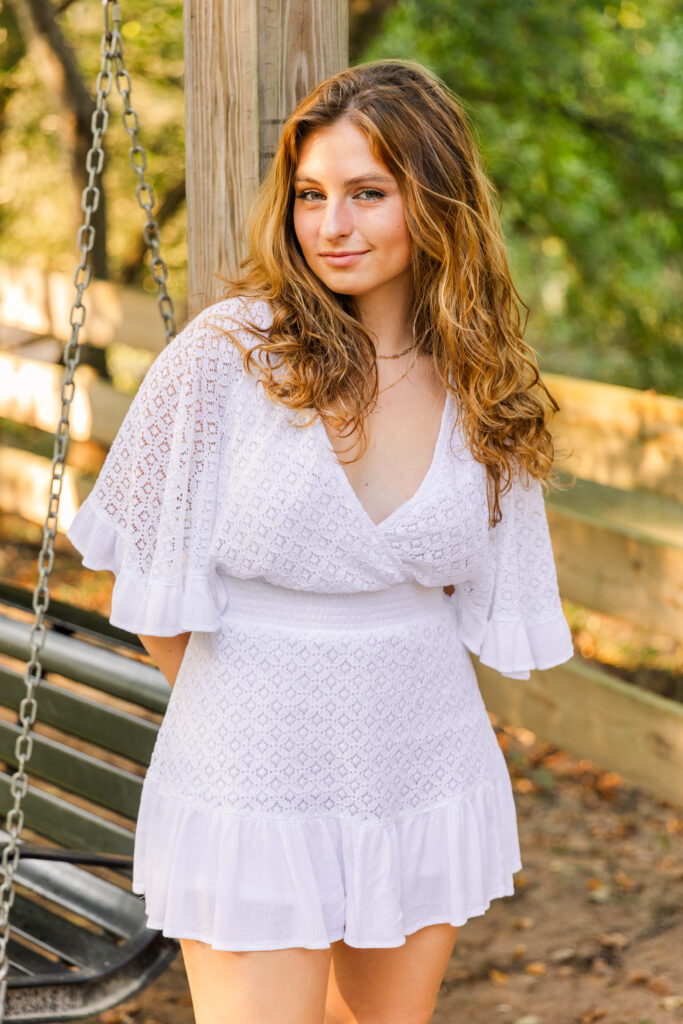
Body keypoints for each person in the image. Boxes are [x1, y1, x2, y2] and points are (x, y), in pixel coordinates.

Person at [66, 58, 574, 1024]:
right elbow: (133, 577)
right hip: (250, 768)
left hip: (421, 765)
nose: (331, 225)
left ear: (434, 203)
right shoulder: (225, 356)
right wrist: (249, 711)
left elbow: (489, 595)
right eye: (310, 195)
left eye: (366, 193)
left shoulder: (483, 383)